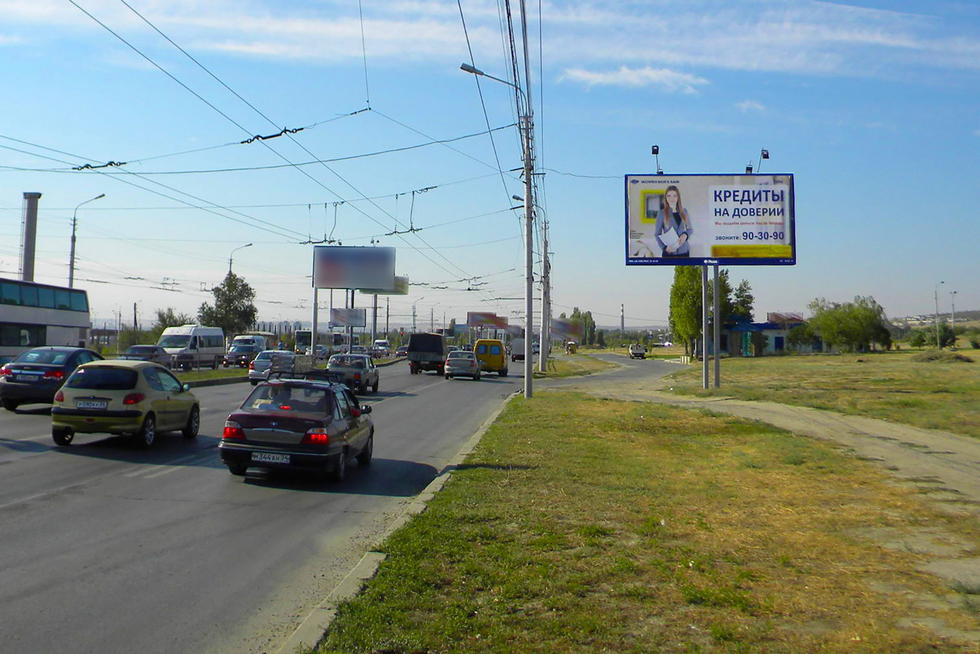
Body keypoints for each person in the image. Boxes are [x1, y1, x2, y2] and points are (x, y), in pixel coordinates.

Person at [654, 185, 693, 257]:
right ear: (666, 198)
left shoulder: (684, 211)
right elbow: (657, 234)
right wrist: (664, 248)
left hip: (684, 251)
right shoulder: (661, 213)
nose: (672, 198)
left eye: (674, 195)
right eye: (669, 196)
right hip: (669, 252)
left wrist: (685, 235)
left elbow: (690, 229)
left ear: (678, 198)